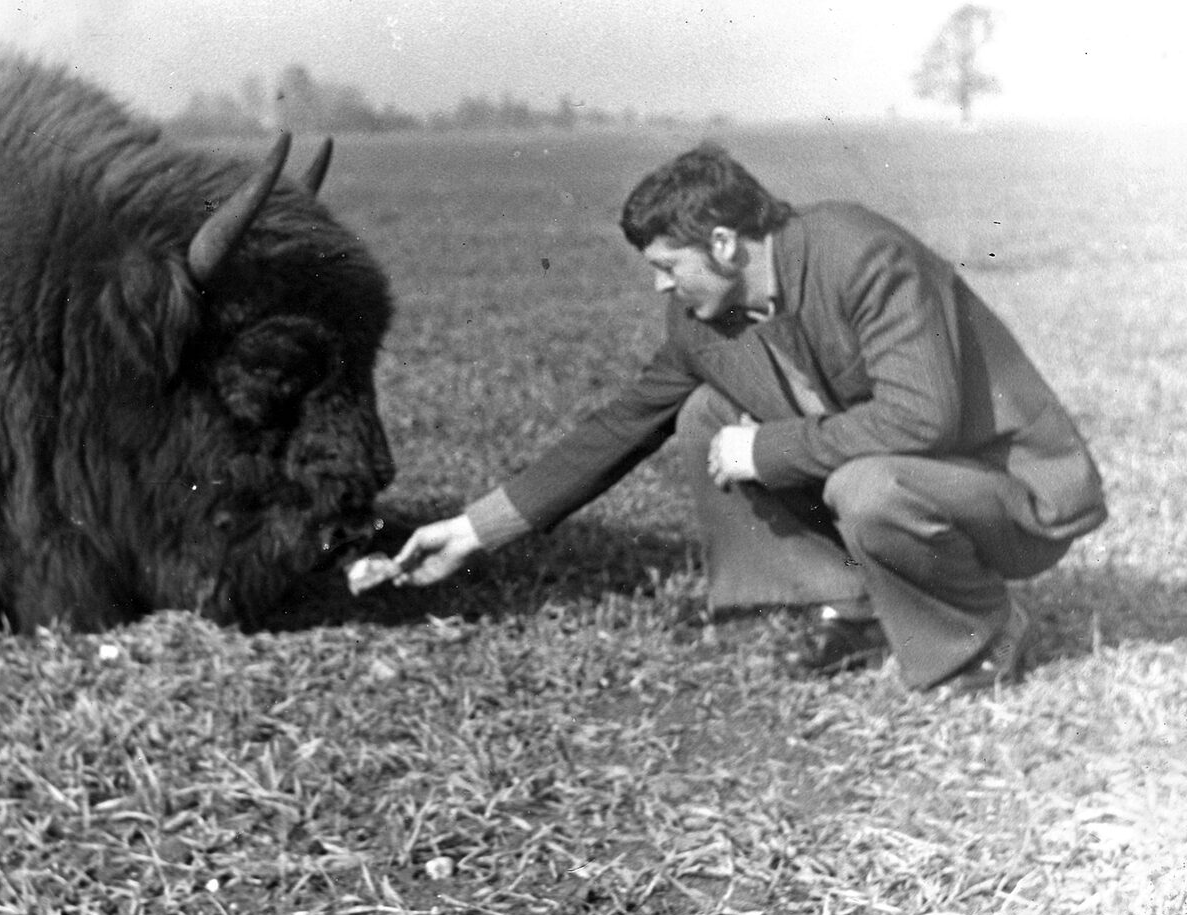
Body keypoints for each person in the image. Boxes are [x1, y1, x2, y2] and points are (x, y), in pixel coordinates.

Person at [393, 144, 1106, 691]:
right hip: (895, 469)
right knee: (706, 412)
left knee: (867, 487)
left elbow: (923, 419)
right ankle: (854, 608)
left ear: (726, 244)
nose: (659, 284)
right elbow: (619, 428)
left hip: (1006, 490)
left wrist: (767, 452)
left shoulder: (859, 254)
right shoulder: (702, 320)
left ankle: (981, 630)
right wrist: (470, 531)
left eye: (670, 264)